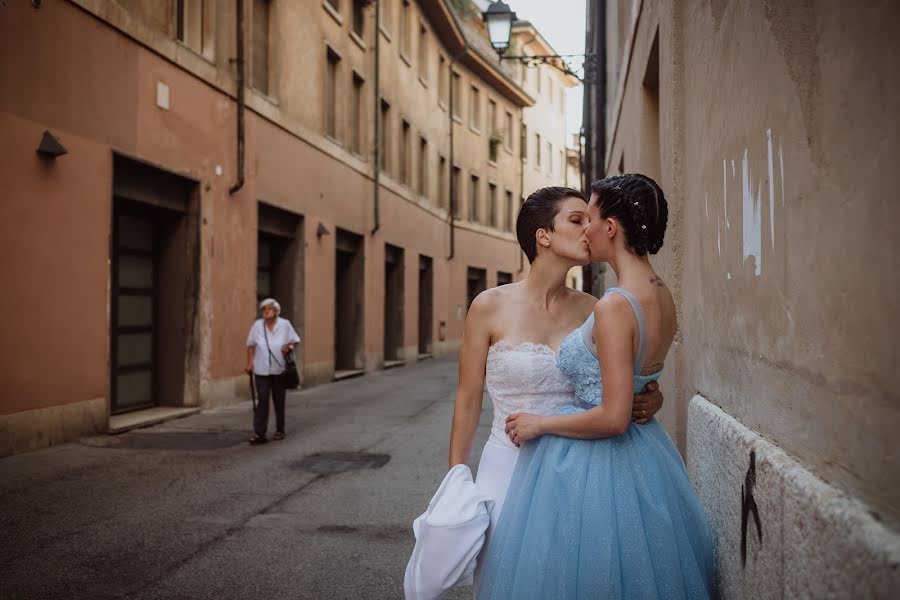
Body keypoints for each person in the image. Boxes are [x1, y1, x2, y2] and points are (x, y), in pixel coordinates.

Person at [476, 175, 714, 599]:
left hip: (597, 459)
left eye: (592, 217)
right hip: (648, 456)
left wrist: (541, 424)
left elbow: (613, 416)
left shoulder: (612, 305)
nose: (586, 228)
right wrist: (651, 395)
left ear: (610, 228)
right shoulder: (665, 296)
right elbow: (642, 373)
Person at [447, 186, 665, 592]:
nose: (589, 229)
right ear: (542, 235)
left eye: (591, 220)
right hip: (505, 466)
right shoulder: (488, 306)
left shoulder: (594, 308)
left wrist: (652, 396)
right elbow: (467, 399)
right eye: (576, 220)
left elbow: (620, 382)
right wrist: (455, 479)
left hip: (576, 467)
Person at [245, 298, 300, 445]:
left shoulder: (285, 324)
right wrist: (250, 363)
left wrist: (289, 348)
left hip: (279, 369)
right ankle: (259, 433)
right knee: (262, 400)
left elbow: (295, 340)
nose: (265, 311)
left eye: (268, 309)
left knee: (279, 400)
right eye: (263, 309)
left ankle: (280, 429)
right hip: (261, 369)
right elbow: (250, 345)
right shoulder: (257, 326)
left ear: (276, 311)